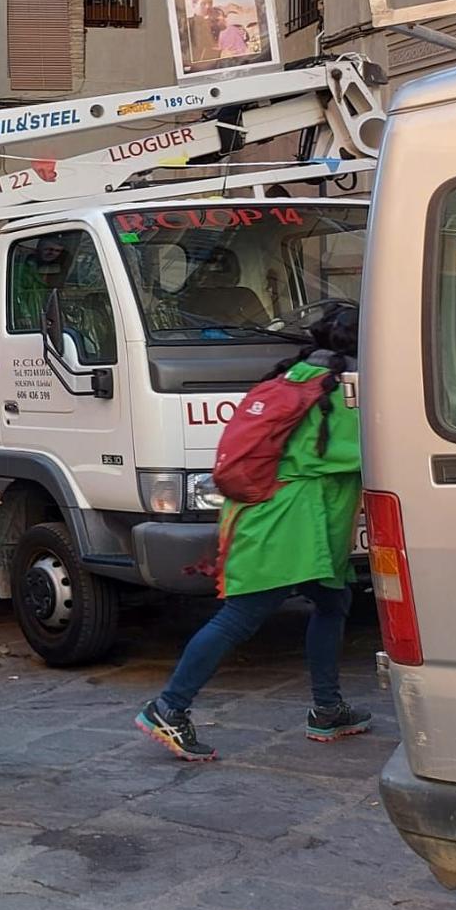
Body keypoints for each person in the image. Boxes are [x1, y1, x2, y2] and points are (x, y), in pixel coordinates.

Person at [138, 302, 369, 761]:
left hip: (279, 516)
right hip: (293, 523)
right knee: (240, 617)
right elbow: (374, 450)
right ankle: (169, 707)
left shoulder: (293, 378)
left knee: (331, 602)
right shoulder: (346, 393)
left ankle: (327, 708)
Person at [184, 0, 218, 69]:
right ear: (194, 5)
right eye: (203, 4)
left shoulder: (217, 24)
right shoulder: (187, 24)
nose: (208, 6)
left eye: (210, 3)